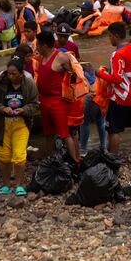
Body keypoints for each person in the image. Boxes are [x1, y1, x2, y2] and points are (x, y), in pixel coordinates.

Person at [96, 22, 131, 164]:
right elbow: (127, 71)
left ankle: (111, 163)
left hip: (121, 97)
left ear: (115, 35)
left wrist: (99, 73)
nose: (109, 40)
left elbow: (117, 79)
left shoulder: (117, 54)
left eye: (109, 36)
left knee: (114, 130)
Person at [0, 58, 39, 196]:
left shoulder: (29, 84)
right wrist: (3, 108)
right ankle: (5, 185)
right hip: (2, 124)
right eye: (9, 74)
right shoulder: (0, 84)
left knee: (19, 156)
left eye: (14, 74)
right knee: (4, 156)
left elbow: (35, 104)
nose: (11, 76)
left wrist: (24, 110)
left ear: (21, 74)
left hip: (21, 124)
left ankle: (18, 185)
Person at [35, 31, 80, 163]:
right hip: (44, 100)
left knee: (64, 134)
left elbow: (74, 75)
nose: (36, 47)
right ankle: (51, 161)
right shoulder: (41, 57)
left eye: (38, 45)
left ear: (45, 46)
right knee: (48, 134)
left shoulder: (61, 57)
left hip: (57, 101)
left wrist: (72, 96)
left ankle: (74, 163)